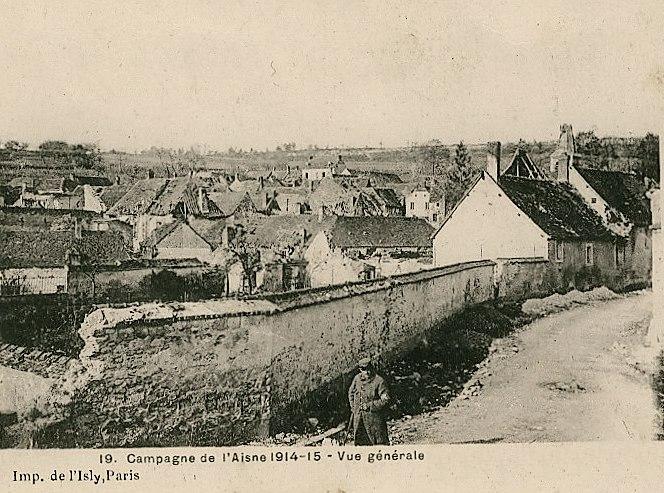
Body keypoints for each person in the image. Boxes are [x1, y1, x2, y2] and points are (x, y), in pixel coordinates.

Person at [347, 357, 391, 445]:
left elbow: (385, 400)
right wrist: (353, 407)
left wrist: (369, 405)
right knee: (361, 445)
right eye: (363, 370)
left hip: (375, 421)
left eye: (368, 369)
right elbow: (351, 393)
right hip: (359, 420)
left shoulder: (379, 381)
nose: (367, 372)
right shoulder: (357, 379)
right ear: (360, 370)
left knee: (379, 445)